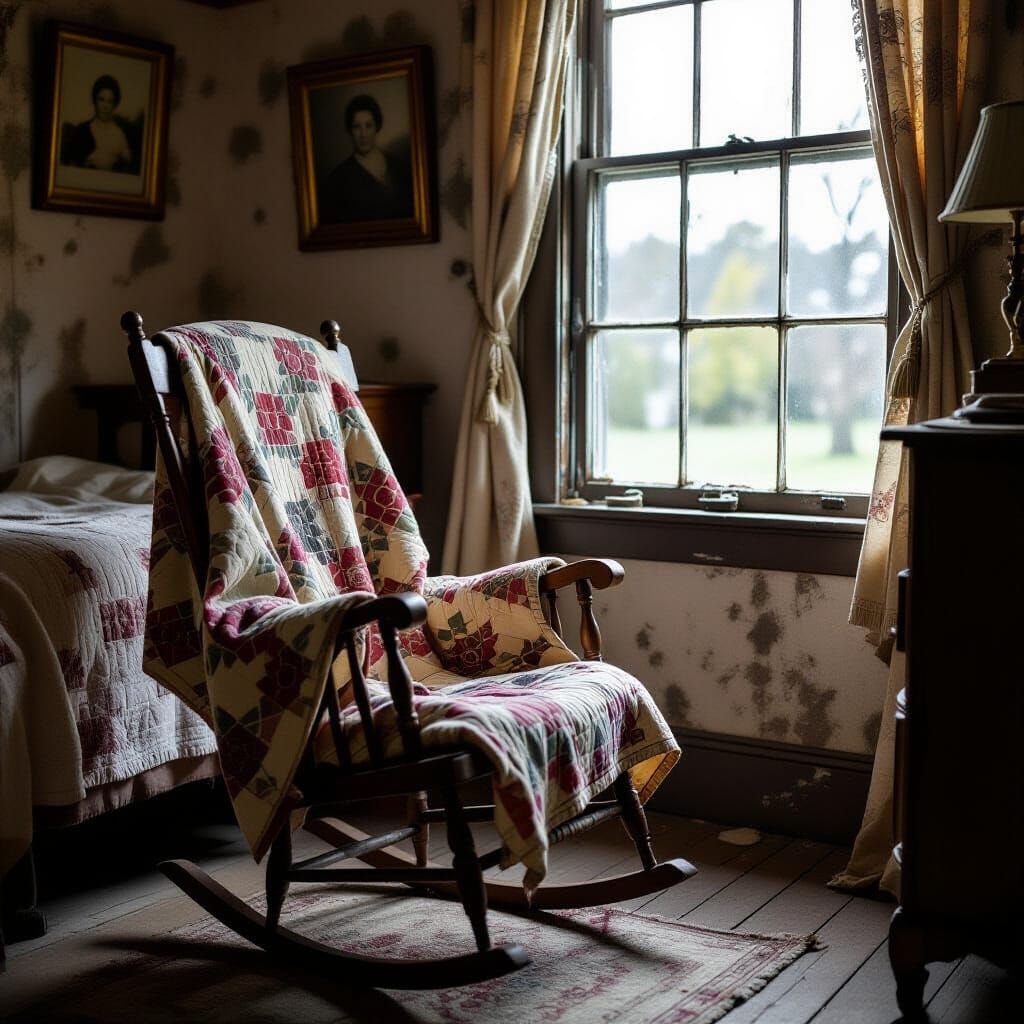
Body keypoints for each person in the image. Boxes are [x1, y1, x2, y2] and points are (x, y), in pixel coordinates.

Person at [318, 94, 413, 224]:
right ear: (350, 131)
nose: (363, 134)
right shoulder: (337, 181)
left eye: (368, 125)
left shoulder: (400, 166)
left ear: (377, 127)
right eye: (357, 127)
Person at [61, 74, 139, 173]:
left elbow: (130, 166)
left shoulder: (120, 135)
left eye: (110, 101)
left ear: (115, 104)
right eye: (101, 100)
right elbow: (67, 164)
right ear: (95, 101)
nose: (105, 106)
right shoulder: (82, 130)